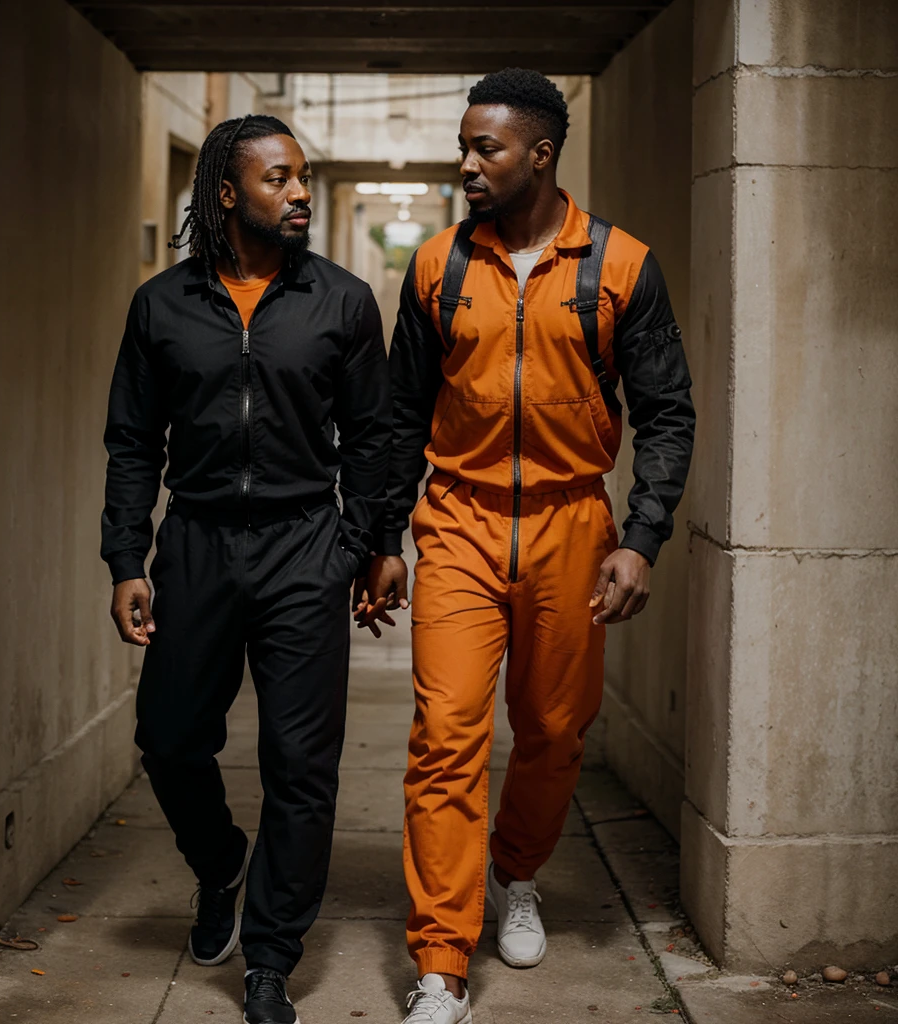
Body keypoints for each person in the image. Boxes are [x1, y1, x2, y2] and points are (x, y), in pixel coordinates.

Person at [358, 70, 695, 1023]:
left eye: (485, 149)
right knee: (445, 740)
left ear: (540, 154)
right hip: (458, 525)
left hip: (572, 528)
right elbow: (395, 419)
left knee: (552, 733)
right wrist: (384, 536)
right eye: (463, 147)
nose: (466, 165)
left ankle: (516, 873)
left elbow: (668, 414)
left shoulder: (621, 265)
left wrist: (642, 537)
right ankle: (440, 963)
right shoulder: (437, 268)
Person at [101, 114, 390, 1024]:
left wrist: (372, 543)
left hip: (306, 544)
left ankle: (269, 958)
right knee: (168, 735)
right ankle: (222, 861)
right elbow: (132, 441)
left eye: (303, 177)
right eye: (279, 179)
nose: (299, 192)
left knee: (302, 765)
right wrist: (125, 555)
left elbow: (377, 437)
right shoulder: (162, 305)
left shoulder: (342, 301)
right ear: (228, 192)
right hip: (197, 544)